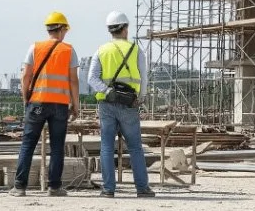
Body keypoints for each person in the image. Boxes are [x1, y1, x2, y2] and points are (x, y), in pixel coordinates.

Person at [10, 11, 80, 197]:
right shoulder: (69, 50)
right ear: (62, 29)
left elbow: (25, 76)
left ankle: (19, 187)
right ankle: (54, 187)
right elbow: (73, 80)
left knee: (28, 145)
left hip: (37, 103)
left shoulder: (35, 48)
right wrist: (76, 104)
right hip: (60, 105)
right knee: (57, 147)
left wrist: (26, 99)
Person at [88, 11, 154, 199]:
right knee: (135, 147)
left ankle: (108, 189)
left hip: (107, 104)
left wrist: (107, 90)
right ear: (125, 28)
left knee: (107, 147)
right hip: (129, 104)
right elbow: (143, 78)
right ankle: (142, 188)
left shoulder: (101, 50)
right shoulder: (135, 50)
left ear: (110, 30)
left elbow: (92, 78)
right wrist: (140, 97)